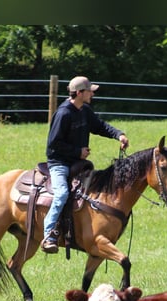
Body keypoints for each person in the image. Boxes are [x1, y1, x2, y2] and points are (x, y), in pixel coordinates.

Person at [41, 76, 129, 253]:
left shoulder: (84, 110)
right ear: (80, 93)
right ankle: (49, 235)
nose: (92, 94)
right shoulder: (63, 113)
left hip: (79, 164)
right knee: (62, 194)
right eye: (90, 91)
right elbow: (53, 144)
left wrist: (118, 135)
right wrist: (77, 152)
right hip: (59, 163)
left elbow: (100, 126)